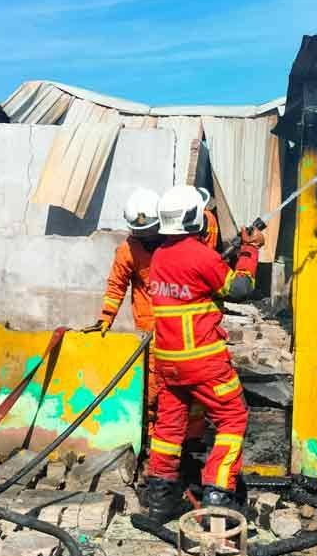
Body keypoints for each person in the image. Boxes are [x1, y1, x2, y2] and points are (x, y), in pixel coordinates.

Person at [145, 185, 263, 522]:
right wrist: (250, 250)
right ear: (194, 217)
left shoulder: (160, 256)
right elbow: (239, 289)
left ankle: (161, 499)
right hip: (203, 361)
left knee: (169, 427)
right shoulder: (199, 255)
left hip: (168, 363)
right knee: (232, 417)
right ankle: (219, 495)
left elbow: (193, 285)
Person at [83, 188, 207, 442]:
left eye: (149, 231)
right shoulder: (128, 251)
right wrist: (106, 318)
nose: (145, 238)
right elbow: (116, 285)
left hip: (181, 326)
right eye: (140, 233)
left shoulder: (176, 243)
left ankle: (192, 437)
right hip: (151, 329)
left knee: (190, 381)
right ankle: (153, 435)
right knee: (154, 384)